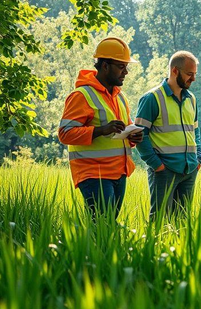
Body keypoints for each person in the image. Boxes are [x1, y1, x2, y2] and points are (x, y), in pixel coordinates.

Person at [58, 36, 142, 219]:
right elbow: (64, 134)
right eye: (121, 66)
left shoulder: (120, 97)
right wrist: (100, 130)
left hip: (119, 172)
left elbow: (121, 130)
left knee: (107, 228)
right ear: (105, 66)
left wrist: (132, 137)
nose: (126, 72)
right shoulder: (81, 95)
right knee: (102, 226)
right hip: (94, 174)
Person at [135, 51, 201, 219]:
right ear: (174, 71)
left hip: (189, 169)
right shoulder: (151, 98)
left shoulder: (192, 99)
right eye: (189, 74)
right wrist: (156, 165)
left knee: (183, 222)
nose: (193, 79)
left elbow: (195, 131)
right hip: (164, 171)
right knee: (159, 220)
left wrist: (198, 159)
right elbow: (140, 135)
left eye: (194, 74)